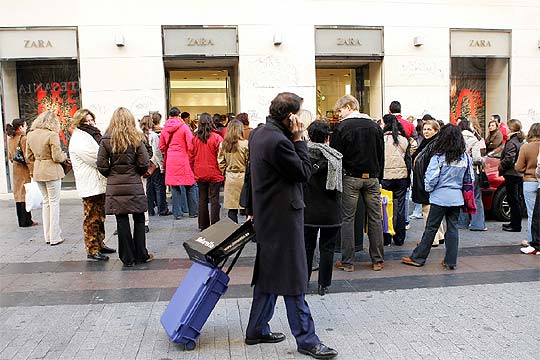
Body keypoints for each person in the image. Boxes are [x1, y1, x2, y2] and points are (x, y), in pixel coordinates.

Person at [245, 92, 337, 359]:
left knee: (269, 274)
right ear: (289, 117)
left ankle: (257, 328)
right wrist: (298, 140)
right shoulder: (280, 142)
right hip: (283, 218)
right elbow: (303, 173)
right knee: (294, 278)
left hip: (268, 216)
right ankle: (307, 339)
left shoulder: (259, 134)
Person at [402, 124, 471, 269]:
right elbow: (470, 178)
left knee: (431, 228)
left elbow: (431, 178)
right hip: (456, 197)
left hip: (439, 197)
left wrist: (429, 189)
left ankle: (418, 257)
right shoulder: (465, 157)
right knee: (452, 228)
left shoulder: (439, 156)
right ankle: (450, 261)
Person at [330, 95, 385, 272]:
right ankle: (378, 260)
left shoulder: (342, 127)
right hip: (372, 178)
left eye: (340, 110)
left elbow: (336, 156)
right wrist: (379, 177)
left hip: (350, 177)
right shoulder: (375, 126)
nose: (339, 114)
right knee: (375, 218)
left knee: (348, 219)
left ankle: (348, 262)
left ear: (349, 106)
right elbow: (381, 154)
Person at [97, 107, 153, 267]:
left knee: (121, 220)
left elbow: (101, 164)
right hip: (134, 183)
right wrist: (138, 173)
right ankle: (141, 254)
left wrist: (111, 174)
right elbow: (144, 162)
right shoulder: (137, 138)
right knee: (139, 218)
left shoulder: (106, 139)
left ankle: (127, 257)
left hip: (115, 185)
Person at [69, 109, 116, 261]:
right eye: (87, 121)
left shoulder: (91, 135)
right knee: (91, 218)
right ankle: (92, 248)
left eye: (91, 120)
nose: (90, 123)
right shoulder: (80, 139)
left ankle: (100, 243)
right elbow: (97, 159)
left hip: (97, 183)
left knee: (100, 216)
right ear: (79, 122)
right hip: (90, 185)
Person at [304, 120, 343, 296]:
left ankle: (303, 281)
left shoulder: (301, 154)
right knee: (327, 248)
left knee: (306, 247)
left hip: (307, 209)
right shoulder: (335, 157)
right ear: (328, 137)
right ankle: (324, 285)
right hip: (330, 210)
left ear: (309, 134)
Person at [26, 110, 68, 246]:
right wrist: (65, 156)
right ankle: (55, 236)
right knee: (54, 203)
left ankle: (47, 236)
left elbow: (29, 156)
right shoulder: (52, 135)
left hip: (38, 170)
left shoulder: (30, 134)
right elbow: (57, 157)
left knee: (46, 202)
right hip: (52, 171)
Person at [159, 107, 198, 220]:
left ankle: (178, 213)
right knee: (190, 184)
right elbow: (191, 144)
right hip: (184, 158)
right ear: (179, 115)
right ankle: (193, 212)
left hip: (171, 159)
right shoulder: (184, 127)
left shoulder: (165, 129)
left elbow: (161, 146)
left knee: (175, 186)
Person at [411, 119, 445, 247]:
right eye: (424, 129)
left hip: (428, 183)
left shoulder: (434, 144)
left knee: (428, 211)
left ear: (436, 130)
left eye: (429, 129)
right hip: (424, 181)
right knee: (433, 210)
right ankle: (440, 235)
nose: (426, 132)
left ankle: (432, 239)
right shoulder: (427, 143)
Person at [190, 113, 224, 230]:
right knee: (215, 199)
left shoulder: (194, 139)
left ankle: (203, 224)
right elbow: (221, 156)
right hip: (214, 171)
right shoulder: (217, 138)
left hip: (199, 171)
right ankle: (215, 224)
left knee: (202, 198)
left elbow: (191, 156)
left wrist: (193, 169)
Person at [381, 114, 410, 246]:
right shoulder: (403, 139)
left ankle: (386, 237)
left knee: (385, 208)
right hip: (401, 177)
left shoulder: (381, 139)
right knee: (400, 208)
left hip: (385, 177)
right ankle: (399, 238)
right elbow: (408, 159)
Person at [6, 118, 37, 227]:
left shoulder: (11, 139)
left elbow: (10, 156)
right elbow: (27, 157)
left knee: (18, 194)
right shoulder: (23, 139)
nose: (26, 128)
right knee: (25, 194)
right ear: (20, 127)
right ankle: (26, 221)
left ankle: (22, 220)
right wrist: (32, 171)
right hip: (24, 169)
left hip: (16, 169)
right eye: (25, 126)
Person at [457, 118, 486, 231]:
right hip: (472, 170)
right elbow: (476, 158)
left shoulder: (457, 138)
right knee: (476, 197)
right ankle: (477, 224)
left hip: (459, 170)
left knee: (462, 196)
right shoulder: (473, 139)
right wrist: (482, 161)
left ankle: (462, 222)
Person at [140, 116, 171, 217]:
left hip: (145, 164)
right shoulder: (153, 136)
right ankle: (162, 209)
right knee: (159, 186)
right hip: (154, 164)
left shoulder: (139, 135)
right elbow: (157, 151)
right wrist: (161, 164)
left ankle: (150, 209)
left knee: (148, 187)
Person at [217, 119, 248, 223]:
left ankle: (232, 232)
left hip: (230, 177)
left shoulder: (223, 144)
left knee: (232, 208)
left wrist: (225, 171)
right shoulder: (245, 144)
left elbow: (220, 162)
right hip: (243, 177)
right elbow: (249, 161)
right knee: (247, 205)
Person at [515, 123, 540, 246]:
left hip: (529, 181)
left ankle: (532, 240)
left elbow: (518, 167)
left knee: (531, 214)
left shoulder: (526, 147)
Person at [499, 119, 525, 232]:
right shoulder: (519, 141)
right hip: (517, 174)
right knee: (515, 199)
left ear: (511, 128)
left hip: (511, 174)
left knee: (513, 200)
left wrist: (501, 165)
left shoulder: (512, 142)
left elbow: (509, 159)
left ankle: (515, 225)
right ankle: (514, 222)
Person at [520, 149, 540, 255]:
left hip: (530, 179)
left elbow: (519, 166)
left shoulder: (527, 147)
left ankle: (535, 242)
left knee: (534, 214)